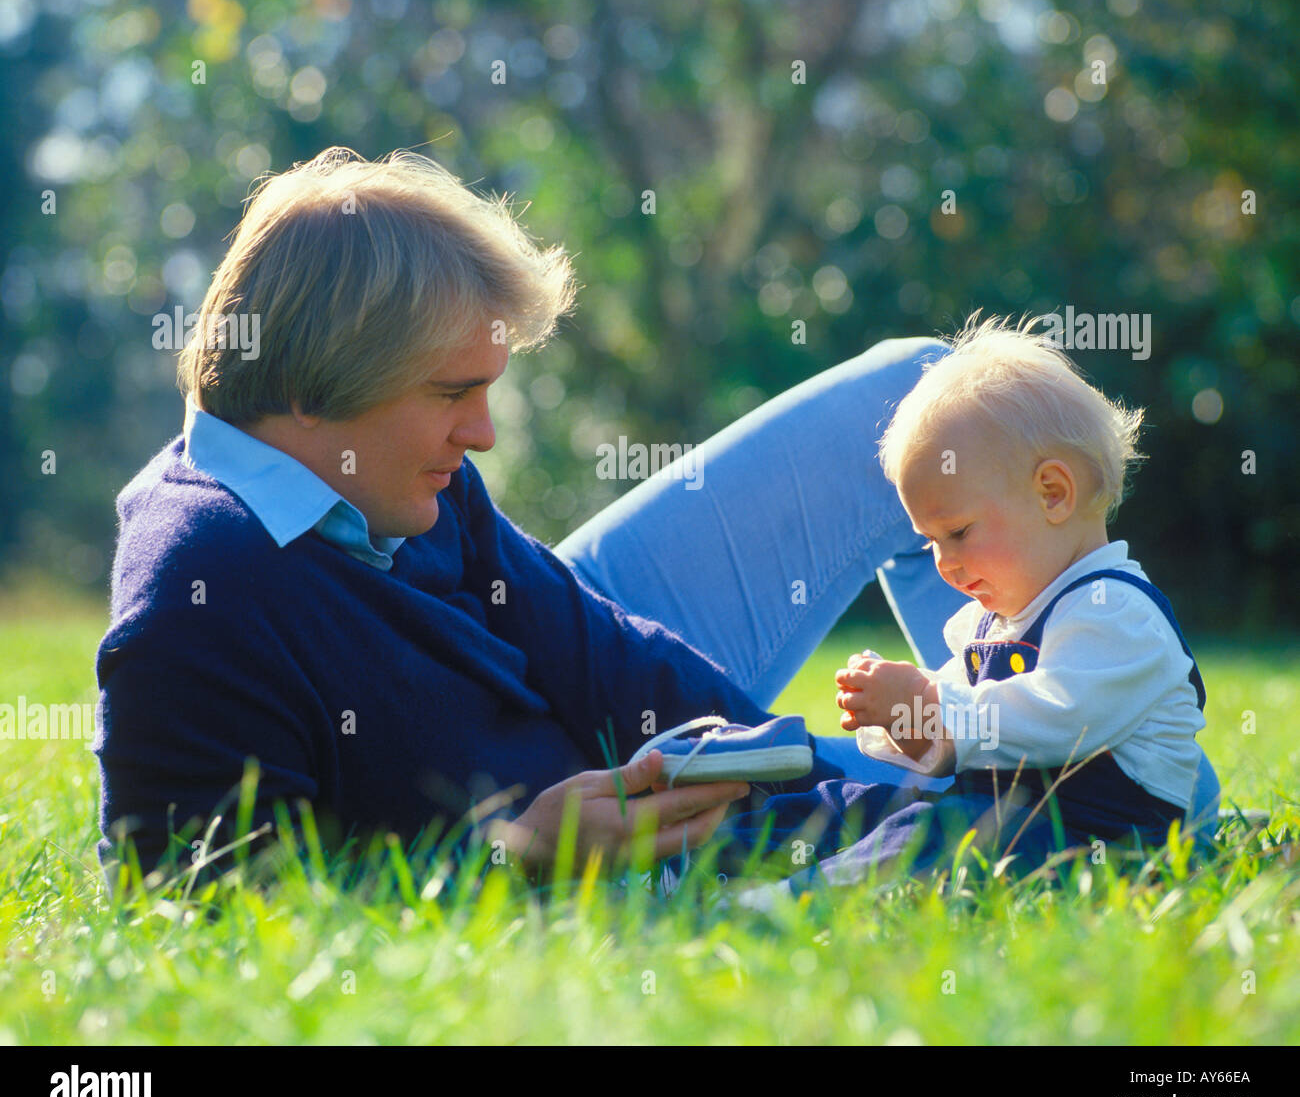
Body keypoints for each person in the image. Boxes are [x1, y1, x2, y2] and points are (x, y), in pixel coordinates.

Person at [92, 148, 1220, 890]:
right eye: (450, 395)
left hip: (621, 751)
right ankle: (1113, 806)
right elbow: (207, 899)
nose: (483, 436)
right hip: (574, 818)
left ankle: (1044, 757)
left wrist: (828, 774)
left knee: (927, 396)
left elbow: (598, 645)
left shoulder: (403, 482)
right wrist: (514, 855)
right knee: (1119, 809)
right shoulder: (199, 599)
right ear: (316, 383)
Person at [710, 317, 1213, 898]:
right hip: (999, 820)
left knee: (943, 834)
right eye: (928, 541)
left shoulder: (1115, 611)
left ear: (1052, 493)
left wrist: (927, 705)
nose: (941, 562)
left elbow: (1054, 721)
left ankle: (783, 902)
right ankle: (704, 856)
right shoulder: (994, 622)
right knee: (861, 806)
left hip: (1101, 845)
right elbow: (951, 739)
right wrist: (896, 715)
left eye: (957, 532)